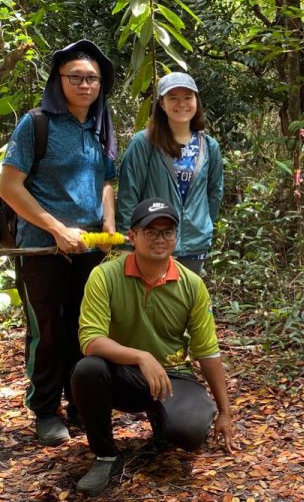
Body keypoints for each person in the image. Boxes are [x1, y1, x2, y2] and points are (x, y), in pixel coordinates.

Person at [71, 197, 236, 495]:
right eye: (150, 231)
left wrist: (225, 411)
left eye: (167, 232)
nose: (160, 239)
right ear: (132, 236)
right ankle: (106, 454)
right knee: (88, 370)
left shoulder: (191, 284)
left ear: (176, 237)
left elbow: (207, 352)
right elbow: (90, 341)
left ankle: (165, 423)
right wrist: (140, 356)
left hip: (173, 375)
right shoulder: (105, 275)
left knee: (190, 433)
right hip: (124, 374)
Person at [0, 39, 117, 446]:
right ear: (59, 80)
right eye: (76, 78)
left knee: (84, 329)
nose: (85, 85)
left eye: (92, 79)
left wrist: (108, 224)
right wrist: (56, 228)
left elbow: (105, 180)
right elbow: (9, 187)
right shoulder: (36, 123)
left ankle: (79, 404)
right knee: (48, 331)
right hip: (42, 250)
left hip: (88, 249)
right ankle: (46, 410)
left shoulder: (100, 125)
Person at [116, 72, 223, 274]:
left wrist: (204, 227)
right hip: (152, 243)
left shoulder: (209, 146)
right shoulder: (144, 143)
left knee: (187, 302)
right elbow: (129, 193)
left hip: (194, 245)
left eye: (187, 97)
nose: (181, 104)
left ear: (196, 102)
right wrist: (126, 242)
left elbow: (214, 193)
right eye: (173, 98)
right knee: (151, 303)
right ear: (162, 104)